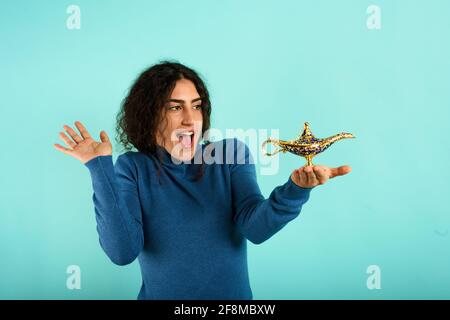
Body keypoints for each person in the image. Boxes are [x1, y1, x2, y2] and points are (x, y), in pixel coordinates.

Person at [53, 61, 352, 300]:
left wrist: (296, 190)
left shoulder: (231, 153)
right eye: (175, 107)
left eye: (196, 106)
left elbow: (255, 228)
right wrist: (98, 167)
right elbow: (122, 252)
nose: (190, 118)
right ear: (148, 115)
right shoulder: (132, 167)